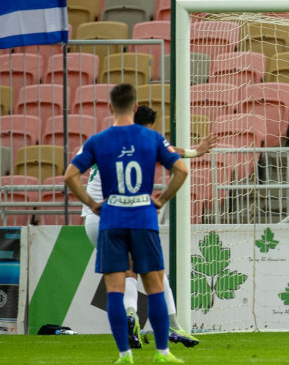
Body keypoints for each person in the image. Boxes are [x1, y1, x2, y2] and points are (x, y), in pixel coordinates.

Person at [65, 84, 189, 364]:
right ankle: (162, 352)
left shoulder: (97, 140)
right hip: (143, 217)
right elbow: (181, 169)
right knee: (155, 284)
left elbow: (70, 175)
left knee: (115, 288)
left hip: (111, 219)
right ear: (135, 108)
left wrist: (91, 203)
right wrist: (162, 199)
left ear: (110, 108)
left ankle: (124, 354)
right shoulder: (152, 137)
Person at [79, 105, 215, 350]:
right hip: (122, 217)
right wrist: (197, 152)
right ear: (150, 127)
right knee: (154, 273)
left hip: (92, 219)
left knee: (126, 273)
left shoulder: (105, 141)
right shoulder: (146, 142)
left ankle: (131, 317)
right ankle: (173, 327)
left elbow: (72, 172)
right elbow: (173, 157)